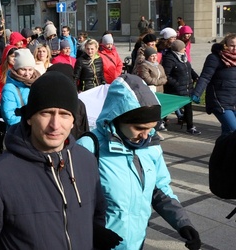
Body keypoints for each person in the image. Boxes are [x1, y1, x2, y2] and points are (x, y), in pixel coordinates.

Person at [0, 71, 120, 249]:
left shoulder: (86, 161)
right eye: (46, 113)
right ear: (29, 118)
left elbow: (97, 214)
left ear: (74, 120)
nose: (55, 125)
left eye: (64, 114)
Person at [77, 74, 201, 250]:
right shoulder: (89, 146)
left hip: (136, 243)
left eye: (151, 128)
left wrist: (183, 223)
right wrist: (92, 230)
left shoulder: (151, 147)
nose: (146, 135)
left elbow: (160, 190)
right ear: (117, 117)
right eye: (139, 128)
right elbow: (69, 201)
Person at [192, 33, 236, 137]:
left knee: (227, 135)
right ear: (225, 45)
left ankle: (221, 153)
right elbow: (205, 77)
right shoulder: (215, 58)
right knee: (234, 131)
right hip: (220, 101)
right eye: (232, 45)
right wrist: (197, 93)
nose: (234, 48)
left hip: (233, 101)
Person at [162, 39, 201, 135]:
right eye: (183, 48)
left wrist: (195, 76)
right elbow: (166, 75)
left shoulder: (183, 57)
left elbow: (189, 68)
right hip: (175, 89)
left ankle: (190, 126)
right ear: (178, 49)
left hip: (187, 87)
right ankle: (161, 122)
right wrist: (176, 84)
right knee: (169, 107)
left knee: (188, 107)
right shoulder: (169, 59)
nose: (185, 49)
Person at [0, 49, 41, 127]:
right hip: (19, 133)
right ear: (16, 69)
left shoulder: (37, 84)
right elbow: (10, 117)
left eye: (30, 69)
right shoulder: (10, 88)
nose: (27, 74)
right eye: (23, 69)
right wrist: (32, 122)